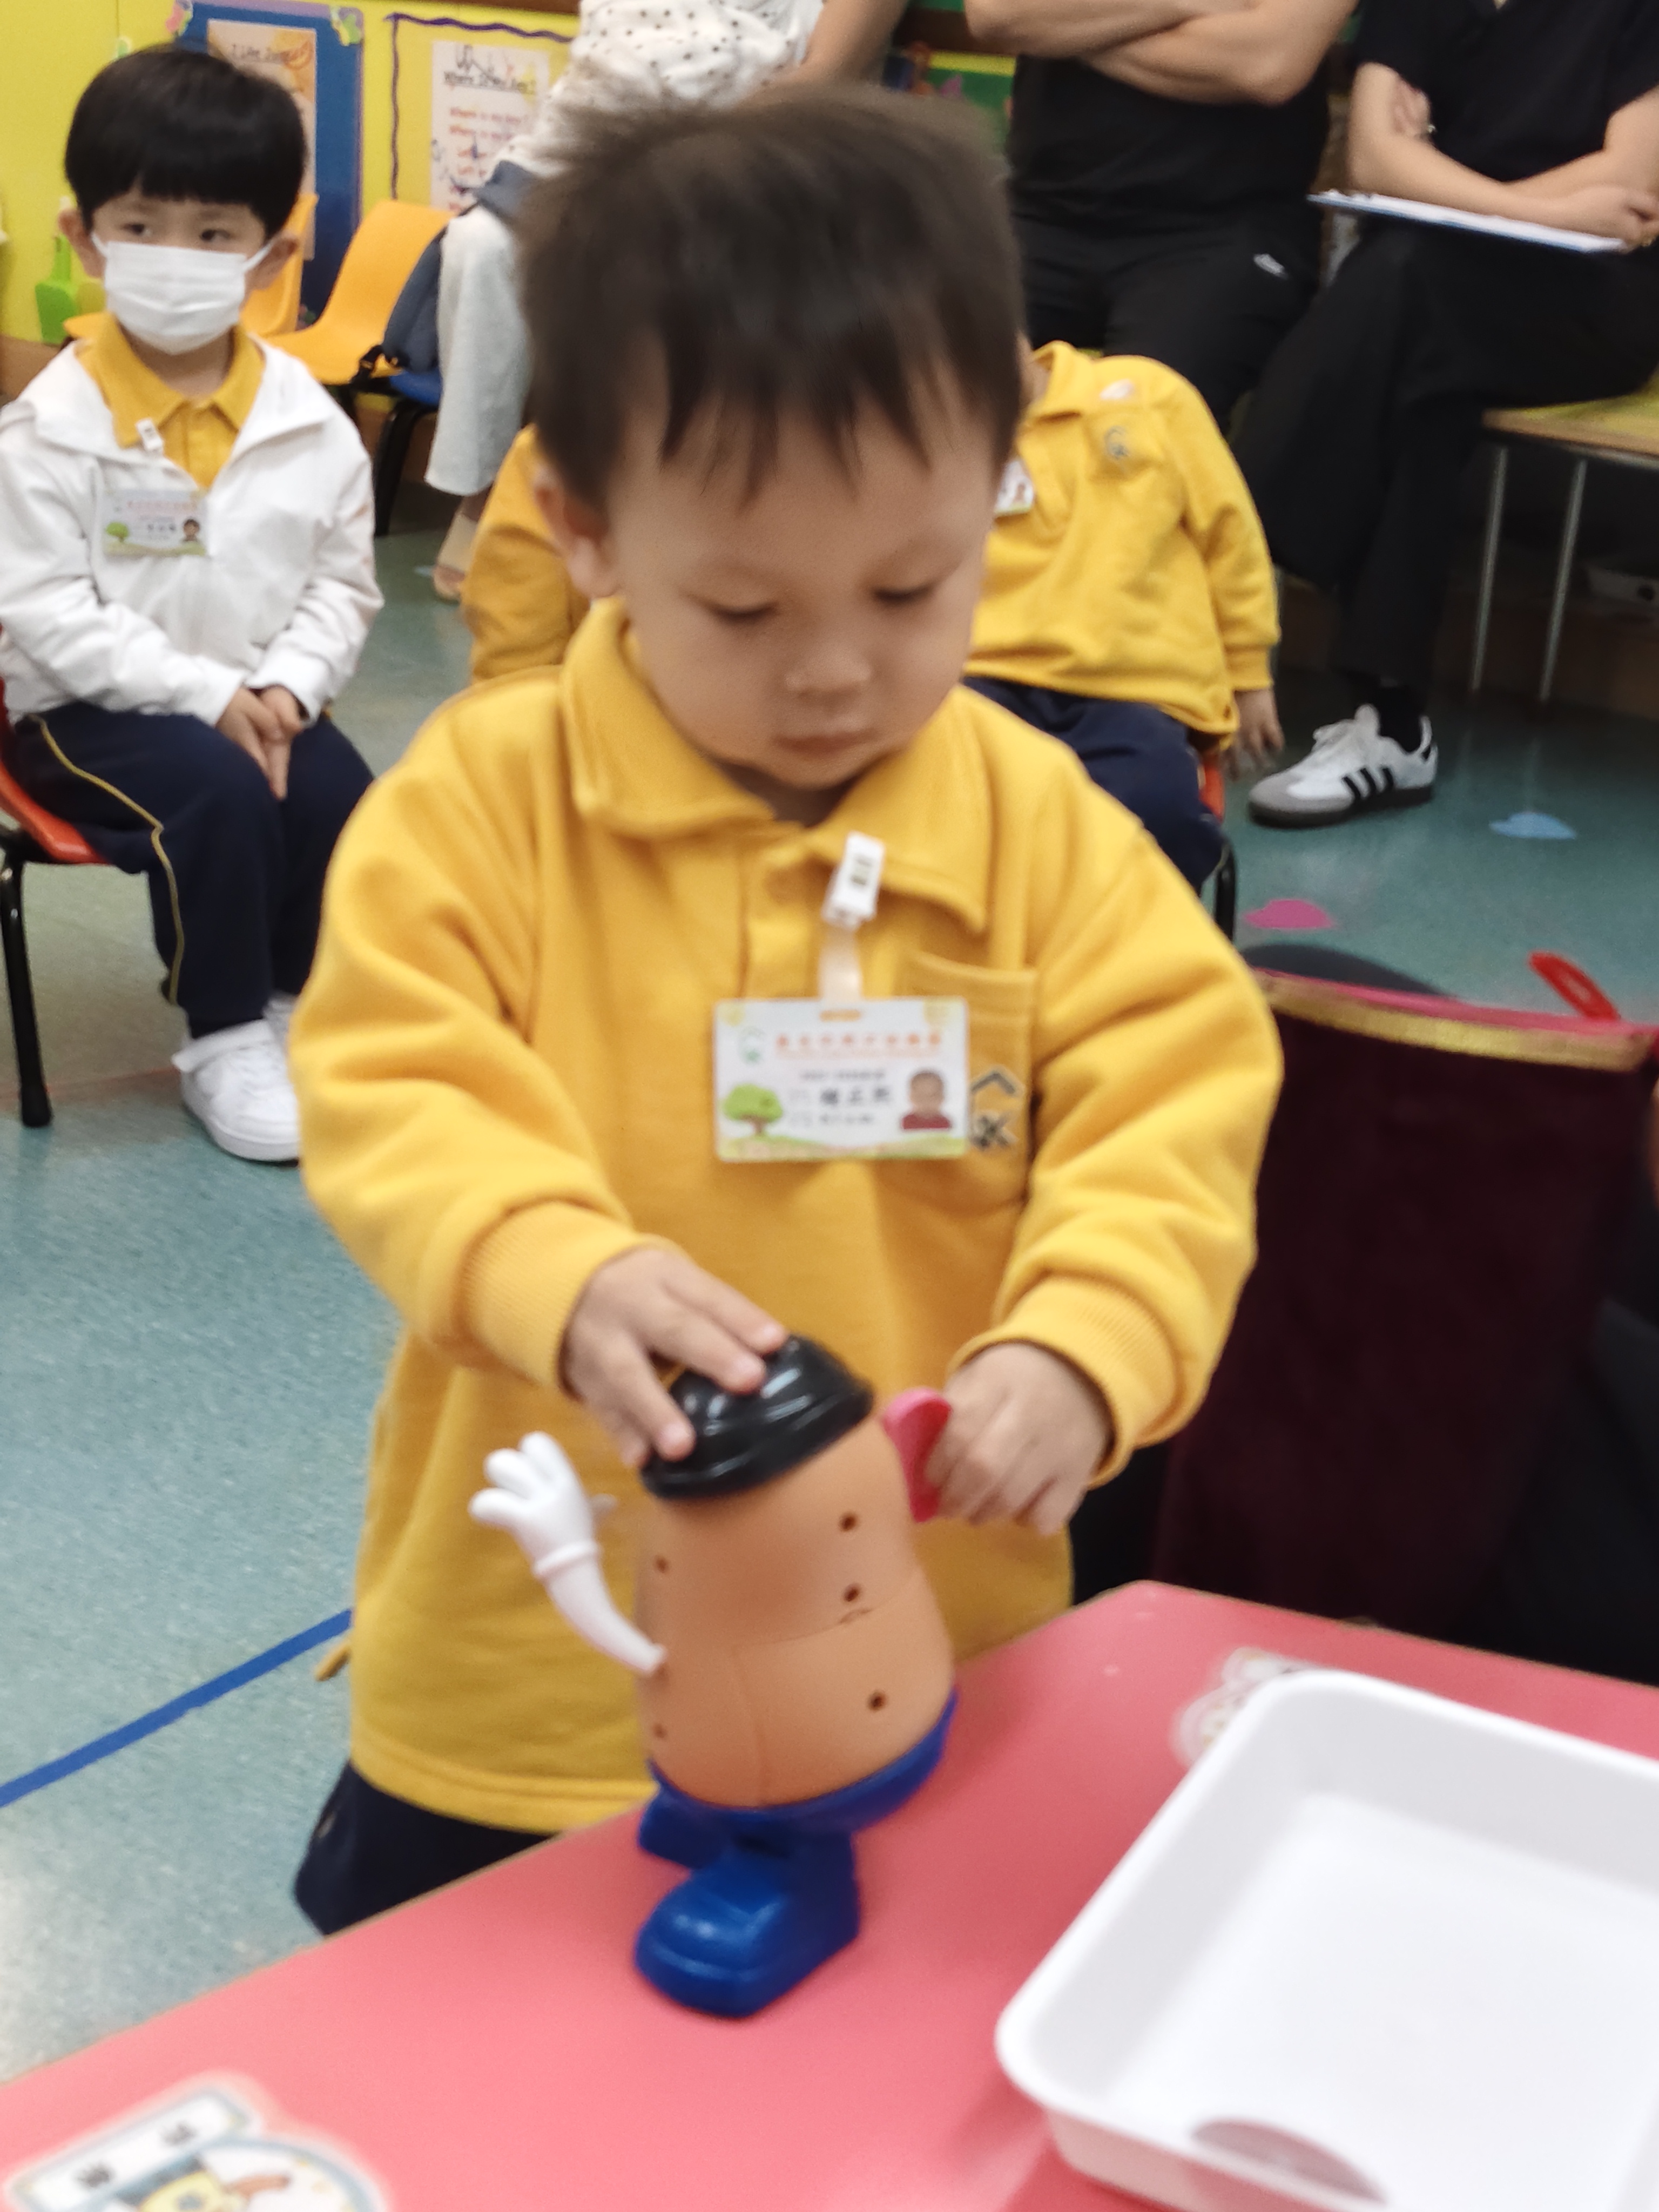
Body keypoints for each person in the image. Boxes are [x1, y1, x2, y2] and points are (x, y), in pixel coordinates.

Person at [286, 87, 1282, 1933]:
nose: (836, 670)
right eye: (743, 608)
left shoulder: (1039, 819)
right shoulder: (485, 800)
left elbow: (1177, 1091)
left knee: (900, 2039)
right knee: (459, 2044)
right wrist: (548, 1262)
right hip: (542, 1654)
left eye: (912, 586)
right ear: (585, 528)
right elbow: (392, 1082)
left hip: (933, 1647)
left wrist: (1091, 1340)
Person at [0, 45, 379, 1162]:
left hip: (260, 696)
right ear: (84, 236)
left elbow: (343, 583)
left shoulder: (309, 419)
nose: (176, 256)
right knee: (219, 793)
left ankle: (290, 1003)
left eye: (214, 234)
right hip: (84, 711)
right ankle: (222, 1037)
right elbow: (41, 609)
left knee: (339, 792)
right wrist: (207, 696)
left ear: (272, 254)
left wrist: (288, 689)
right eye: (141, 225)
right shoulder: (44, 429)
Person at [1239, 0, 1659, 828]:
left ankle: (1226, 569)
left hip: (1591, 298)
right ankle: (1390, 725)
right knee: (1426, 377)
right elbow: (1371, 158)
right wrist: (1542, 209)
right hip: (1438, 289)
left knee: (1402, 284)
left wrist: (1436, 182)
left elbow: (1630, 182)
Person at [425, 0, 909, 597]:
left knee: (658, 266)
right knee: (479, 246)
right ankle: (486, 493)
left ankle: (653, 513)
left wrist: (674, 145)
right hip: (597, 136)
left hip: (746, 156)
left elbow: (822, 73)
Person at [965, 339, 1281, 890]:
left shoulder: (1150, 395)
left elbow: (1231, 538)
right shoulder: (930, 438)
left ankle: (1133, 935)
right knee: (949, 811)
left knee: (1153, 813)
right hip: (983, 683)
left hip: (1138, 693)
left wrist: (1249, 674)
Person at [962, 0, 1352, 425]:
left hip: (1224, 235)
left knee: (1134, 432)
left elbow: (1267, 65)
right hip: (1041, 213)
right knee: (926, 381)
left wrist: (1066, 32)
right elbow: (997, 13)